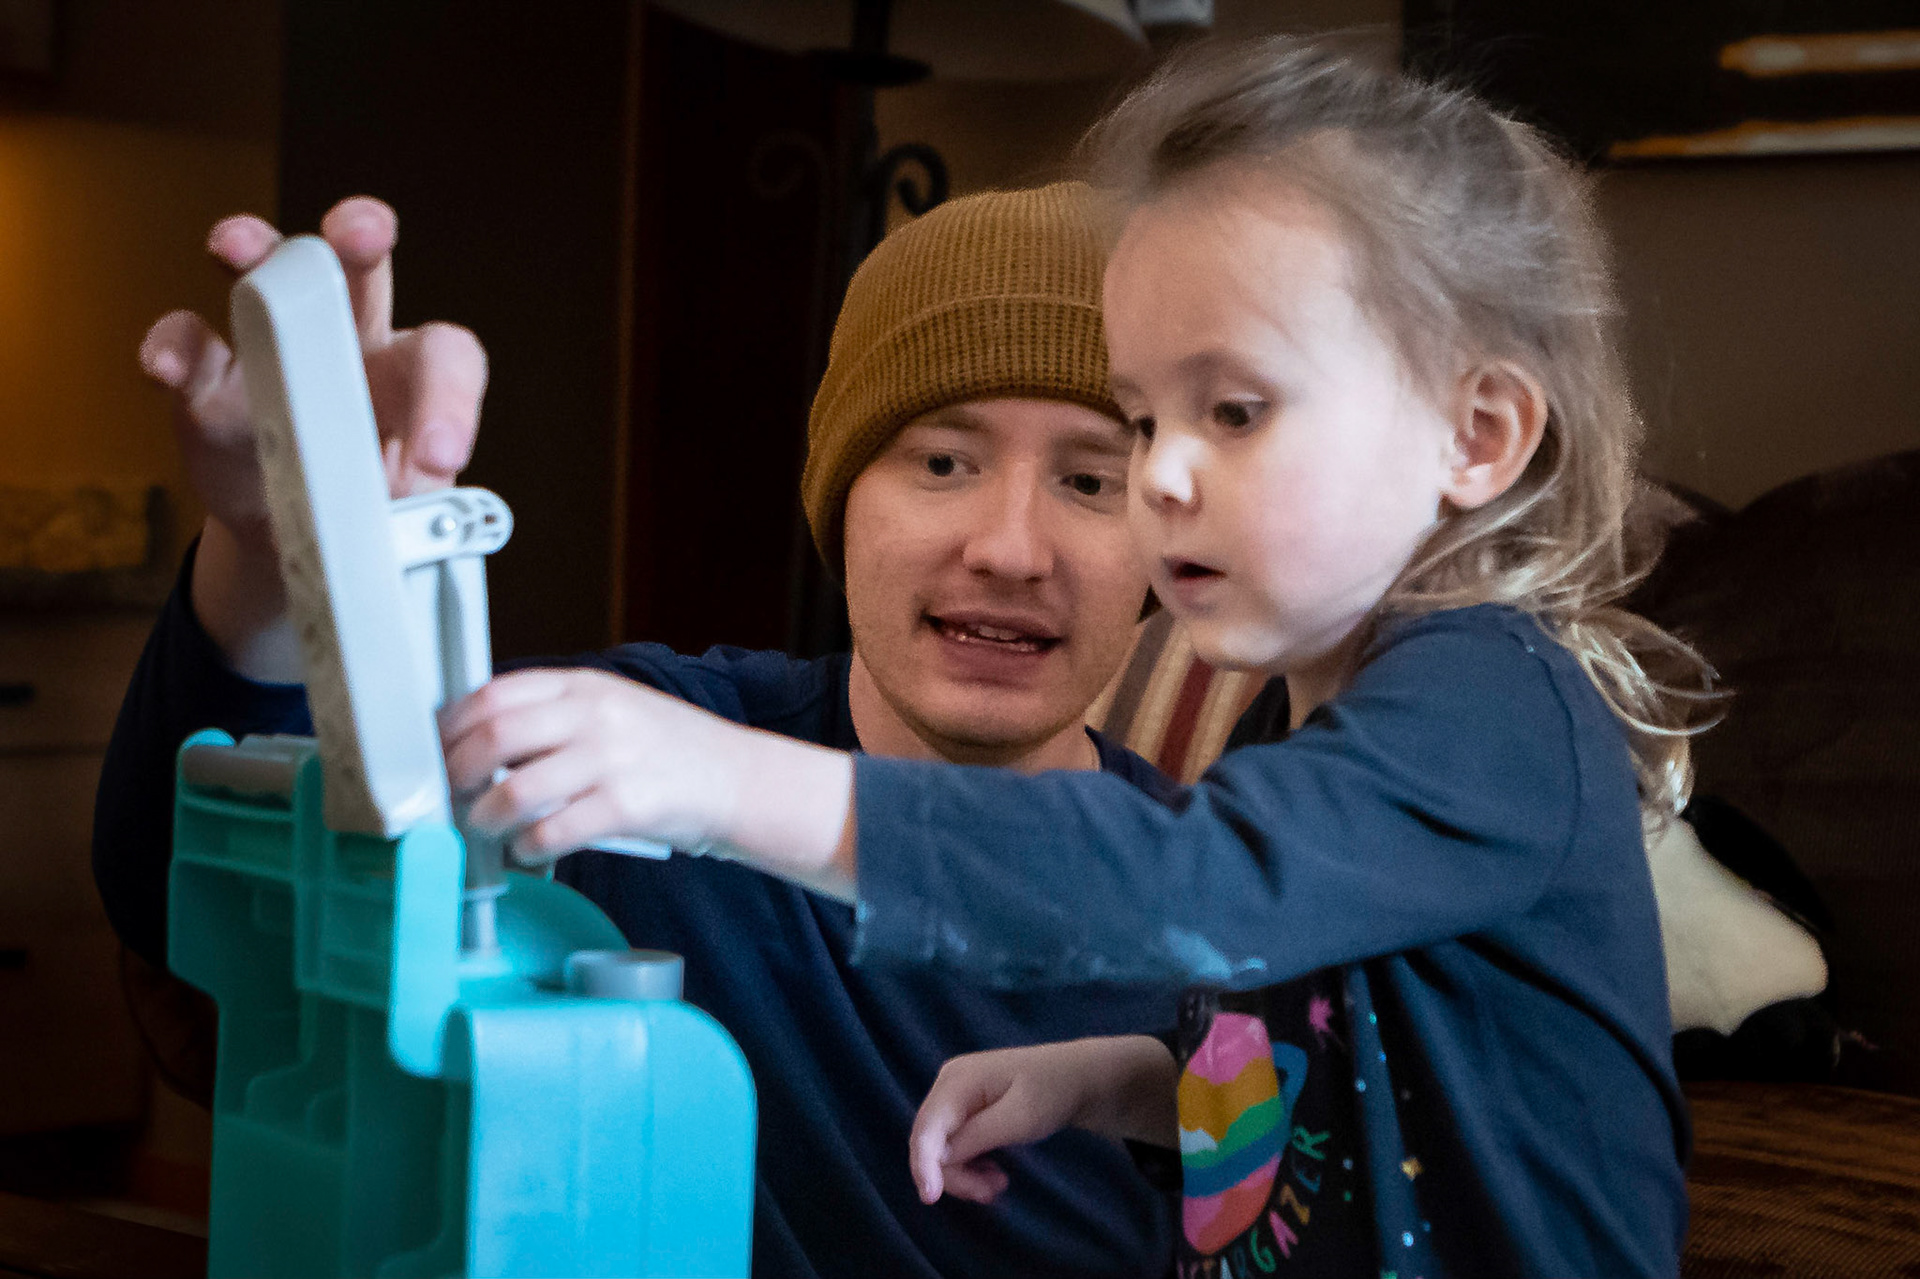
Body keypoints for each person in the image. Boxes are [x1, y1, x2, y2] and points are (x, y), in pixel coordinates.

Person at [446, 38, 1717, 1278]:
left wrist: (730, 784)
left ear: (1476, 437)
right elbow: (1349, 1088)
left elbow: (1201, 884)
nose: (1161, 475)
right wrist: (1120, 1086)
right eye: (1148, 416)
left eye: (1233, 411)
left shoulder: (1494, 702)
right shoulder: (1324, 727)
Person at [93, 183, 1181, 1278]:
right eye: (944, 462)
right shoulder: (651, 748)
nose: (1010, 549)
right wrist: (277, 547)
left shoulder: (1227, 903)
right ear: (844, 500)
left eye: (1092, 480)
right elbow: (180, 885)